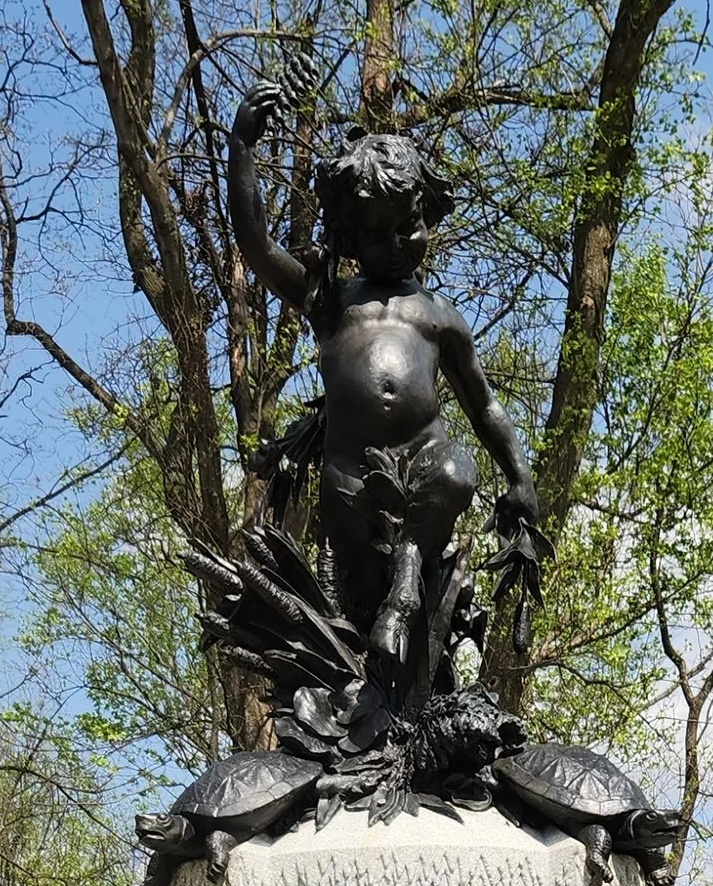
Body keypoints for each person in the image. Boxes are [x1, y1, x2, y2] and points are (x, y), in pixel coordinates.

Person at [230, 75, 541, 708]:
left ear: (428, 214)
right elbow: (257, 246)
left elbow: (483, 405)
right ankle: (377, 709)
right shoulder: (331, 302)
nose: (400, 244)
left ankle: (408, 589)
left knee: (456, 471)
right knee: (361, 611)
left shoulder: (439, 317)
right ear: (347, 237)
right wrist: (241, 145)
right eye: (379, 234)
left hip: (423, 456)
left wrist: (520, 475)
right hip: (350, 471)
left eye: (411, 227)